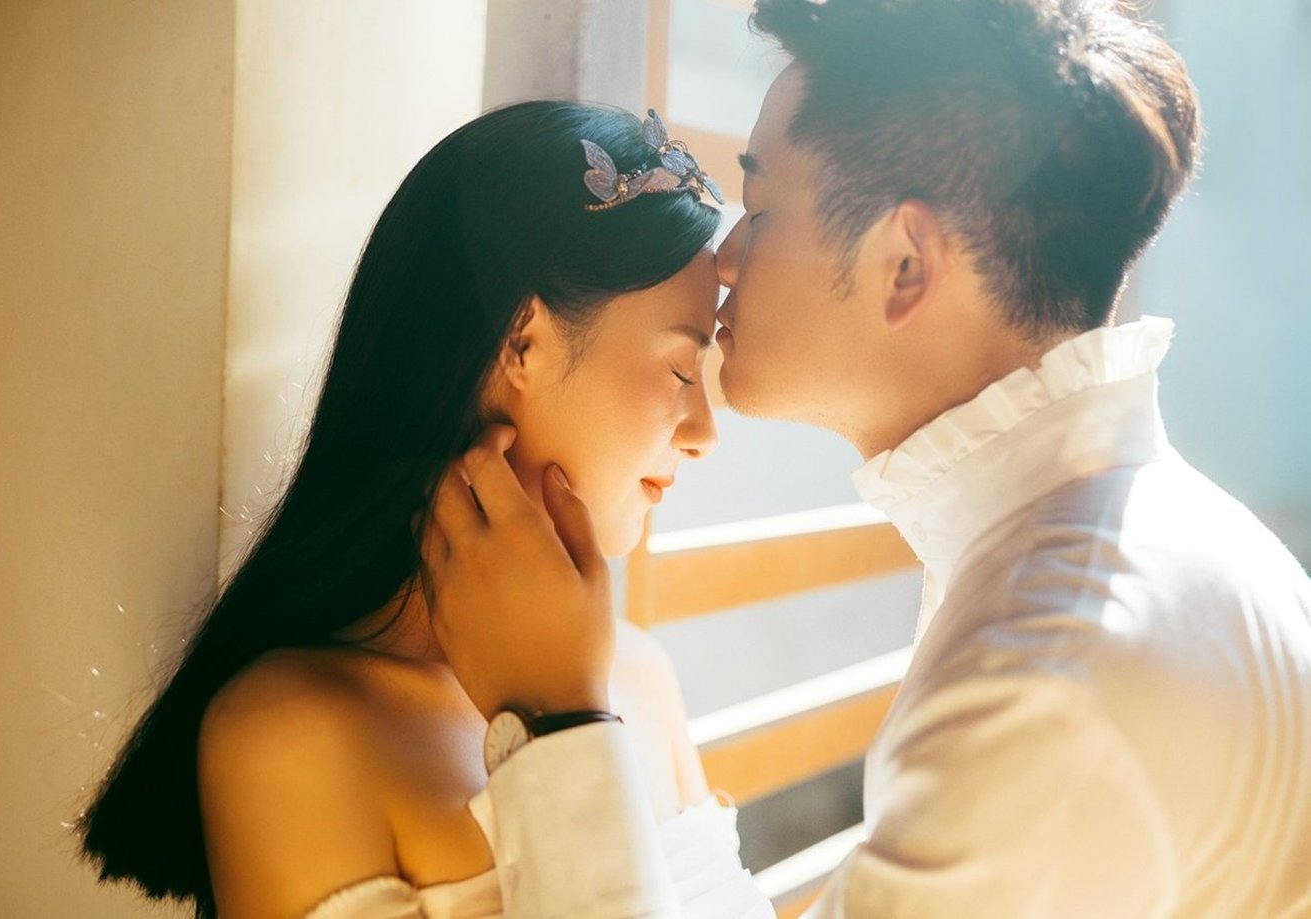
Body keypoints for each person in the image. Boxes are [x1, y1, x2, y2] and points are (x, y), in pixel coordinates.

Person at [422, 1, 1311, 916]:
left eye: (761, 211)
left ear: (905, 267)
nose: (725, 259)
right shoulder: (1159, 547)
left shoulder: (1044, 676)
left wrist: (558, 723)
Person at [77, 101, 775, 918]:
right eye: (683, 372)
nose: (705, 434)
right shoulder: (294, 735)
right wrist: (562, 726)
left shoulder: (642, 675)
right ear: (521, 341)